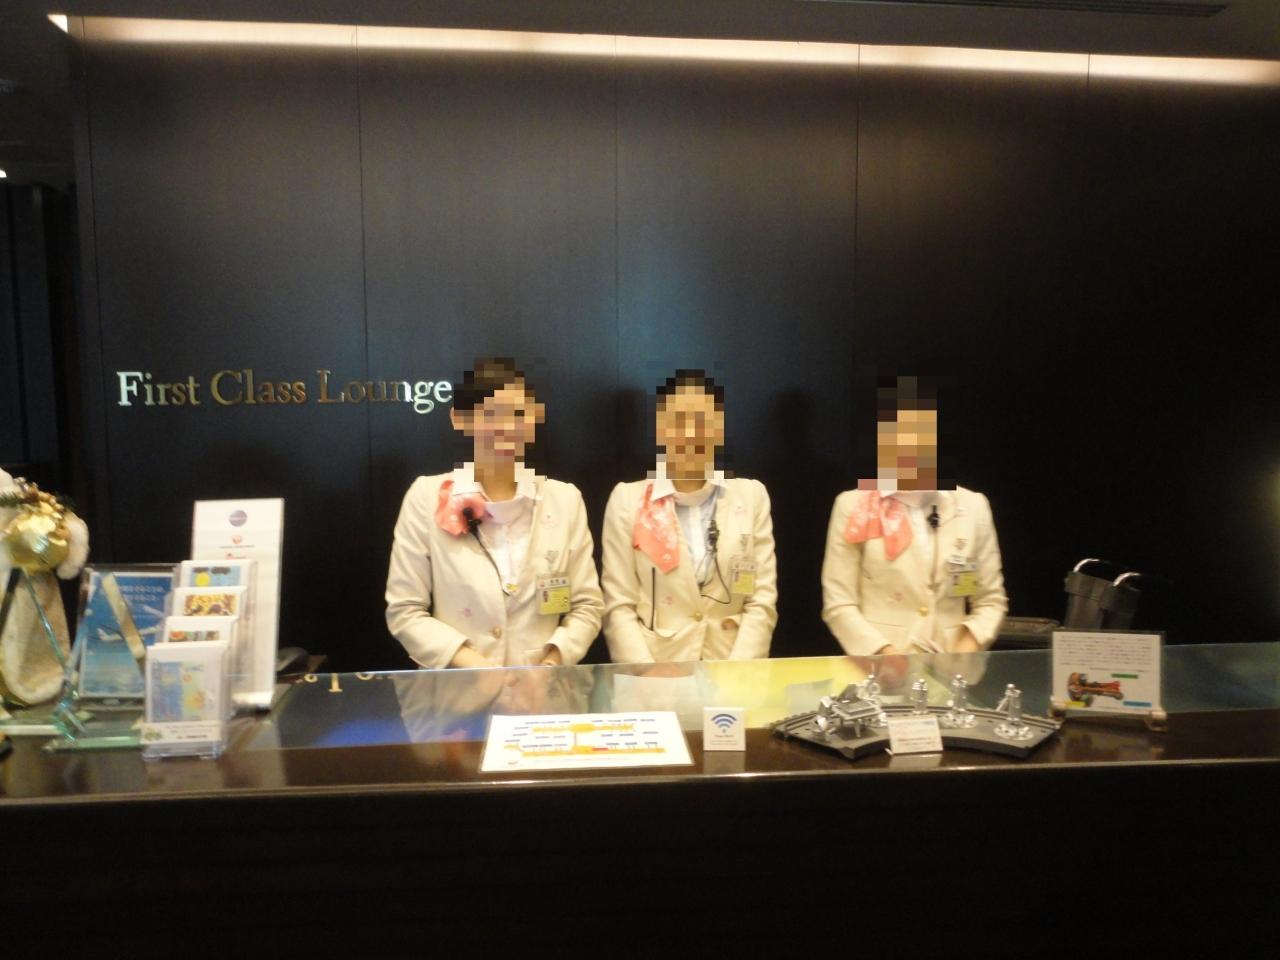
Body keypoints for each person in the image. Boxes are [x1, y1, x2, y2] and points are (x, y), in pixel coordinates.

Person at [385, 358, 603, 668]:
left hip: (542, 690)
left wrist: (550, 665)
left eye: (518, 414)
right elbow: (405, 611)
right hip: (459, 690)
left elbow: (587, 605)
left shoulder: (564, 500)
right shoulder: (426, 497)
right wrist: (478, 669)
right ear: (460, 419)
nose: (507, 428)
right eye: (490, 414)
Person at [821, 376, 1007, 661]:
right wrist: (885, 656)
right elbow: (839, 603)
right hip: (877, 670)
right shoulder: (853, 505)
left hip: (952, 672)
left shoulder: (972, 506)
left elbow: (991, 602)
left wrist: (963, 651)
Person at [601, 370, 777, 662]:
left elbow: (761, 600)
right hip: (656, 669)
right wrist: (647, 674)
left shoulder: (750, 496)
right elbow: (618, 606)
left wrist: (739, 675)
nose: (692, 434)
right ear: (661, 428)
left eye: (702, 421)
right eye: (679, 421)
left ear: (719, 428)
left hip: (733, 667)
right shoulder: (627, 500)